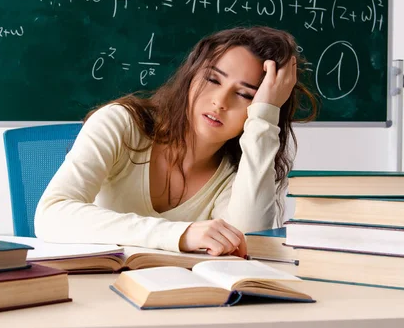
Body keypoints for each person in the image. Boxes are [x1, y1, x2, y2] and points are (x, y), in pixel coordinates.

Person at [34, 26, 318, 257]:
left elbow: (247, 242)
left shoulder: (239, 173)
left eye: (245, 95)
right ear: (191, 76)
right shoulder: (122, 123)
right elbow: (51, 215)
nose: (220, 101)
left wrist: (265, 117)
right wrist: (181, 234)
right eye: (212, 79)